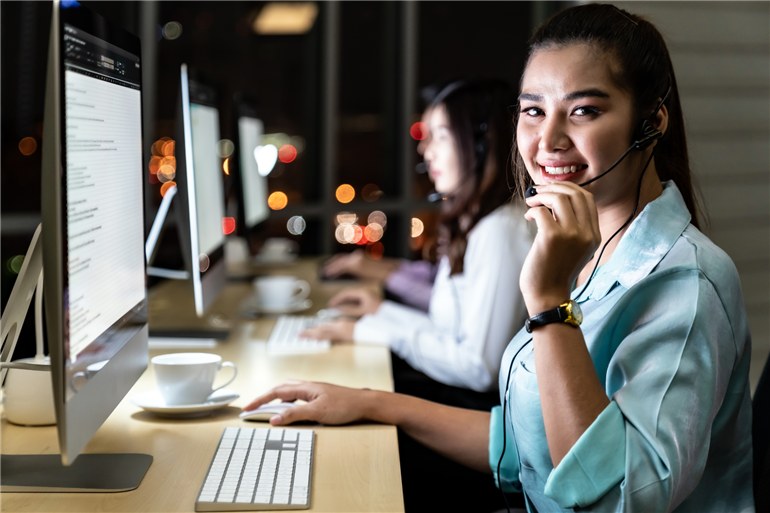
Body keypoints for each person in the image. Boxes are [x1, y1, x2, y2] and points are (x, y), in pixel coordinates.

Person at [245, 4, 755, 512]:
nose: (548, 140)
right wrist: (370, 402)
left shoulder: (686, 281)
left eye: (584, 110)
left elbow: (617, 502)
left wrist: (548, 301)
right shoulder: (589, 251)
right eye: (533, 110)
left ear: (650, 122)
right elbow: (521, 447)